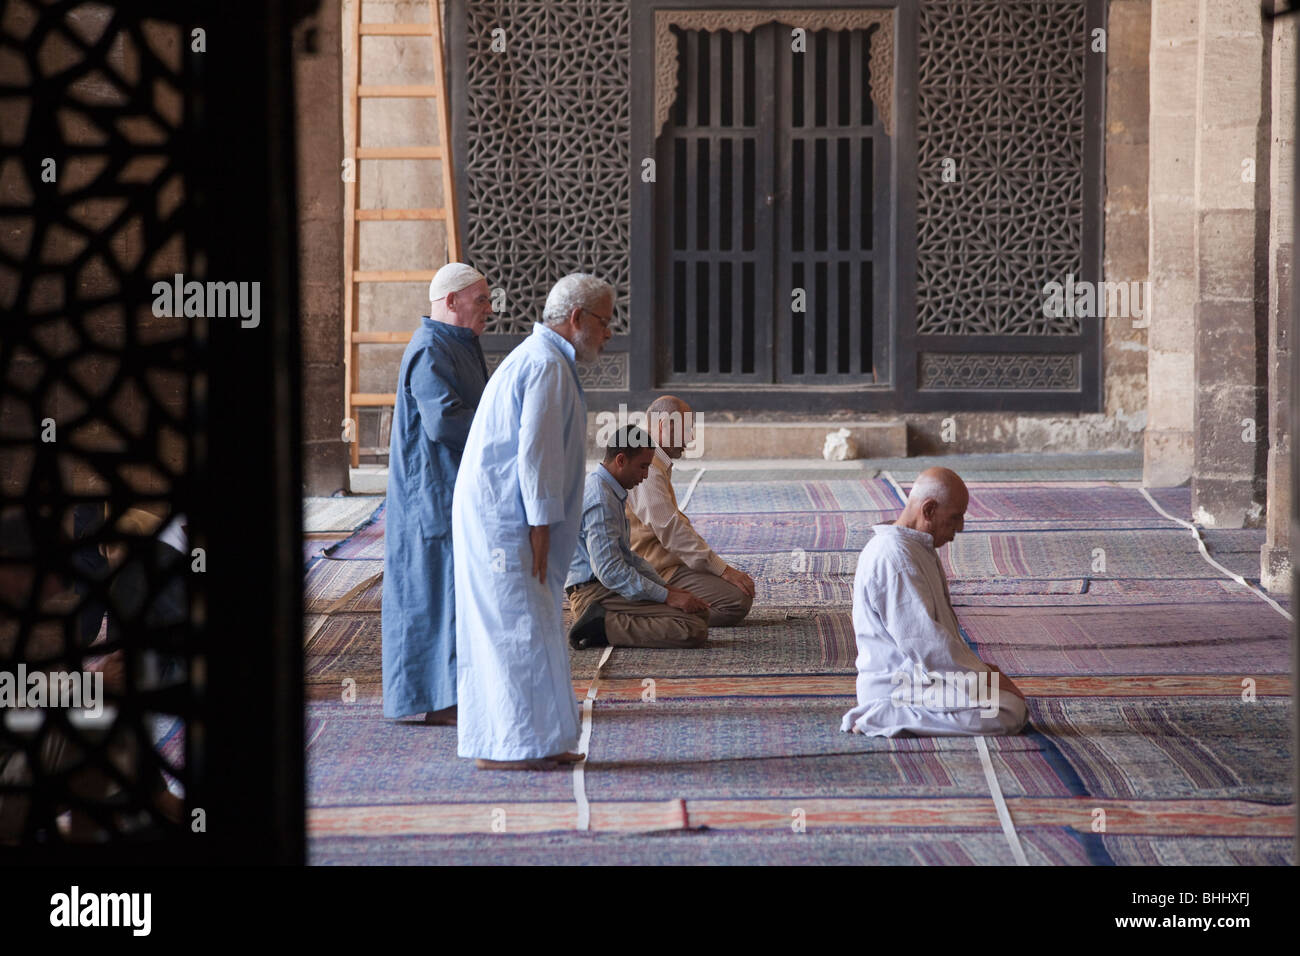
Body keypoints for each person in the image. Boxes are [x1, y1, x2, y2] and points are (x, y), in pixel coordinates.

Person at [452, 273, 614, 770]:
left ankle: (541, 740)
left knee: (534, 625)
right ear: (577, 319)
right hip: (508, 521)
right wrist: (540, 527)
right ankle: (509, 748)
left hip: (510, 516)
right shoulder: (544, 364)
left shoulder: (547, 360)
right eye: (605, 323)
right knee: (516, 627)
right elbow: (535, 454)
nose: (609, 334)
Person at [381, 263, 491, 726]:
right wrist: (501, 428)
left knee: (454, 590)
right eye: (481, 300)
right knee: (433, 592)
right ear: (451, 302)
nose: (489, 309)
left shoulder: (458, 344)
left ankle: (457, 692)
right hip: (430, 495)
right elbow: (445, 422)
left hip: (451, 488)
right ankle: (439, 700)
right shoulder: (430, 349)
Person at [840, 467, 1027, 737]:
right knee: (1005, 711)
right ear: (928, 510)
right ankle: (884, 715)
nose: (960, 528)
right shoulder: (895, 557)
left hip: (921, 677)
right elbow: (925, 643)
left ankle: (895, 712)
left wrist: (982, 674)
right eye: (954, 518)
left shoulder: (913, 548)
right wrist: (984, 677)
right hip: (901, 685)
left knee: (1006, 703)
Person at [565, 425, 711, 649]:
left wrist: (666, 589)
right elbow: (610, 572)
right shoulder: (601, 499)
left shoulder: (609, 489)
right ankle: (600, 625)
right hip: (592, 592)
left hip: (604, 586)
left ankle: (609, 621)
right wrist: (665, 596)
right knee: (691, 628)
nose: (645, 476)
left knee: (699, 615)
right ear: (621, 460)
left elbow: (627, 556)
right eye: (643, 467)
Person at [626, 395, 755, 625]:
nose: (691, 437)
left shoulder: (652, 459)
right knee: (735, 601)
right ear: (664, 426)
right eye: (686, 429)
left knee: (734, 594)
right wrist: (722, 570)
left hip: (666, 563)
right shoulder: (648, 469)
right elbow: (673, 532)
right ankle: (642, 613)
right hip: (654, 570)